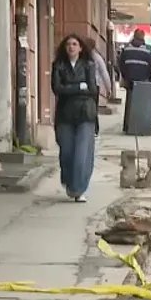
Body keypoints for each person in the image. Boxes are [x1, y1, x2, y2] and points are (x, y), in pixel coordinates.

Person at [51, 34, 98, 202]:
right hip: (65, 114)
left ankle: (79, 189)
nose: (71, 47)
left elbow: (92, 90)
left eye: (74, 44)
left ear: (80, 48)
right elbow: (57, 89)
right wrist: (79, 87)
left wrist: (70, 88)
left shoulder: (88, 65)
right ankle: (69, 182)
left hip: (85, 113)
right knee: (67, 152)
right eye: (68, 44)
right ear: (64, 48)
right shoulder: (59, 65)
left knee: (82, 153)